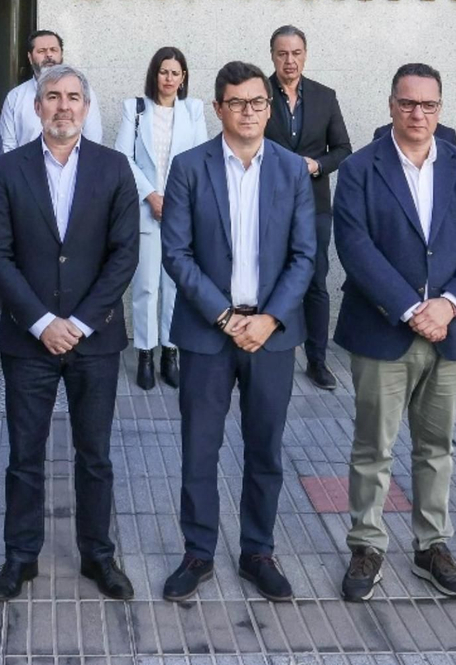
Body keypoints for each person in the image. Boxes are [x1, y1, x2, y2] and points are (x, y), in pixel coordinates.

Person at [0, 64, 141, 602]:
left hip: (97, 339)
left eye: (73, 97)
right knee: (25, 456)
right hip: (28, 340)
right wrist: (43, 322)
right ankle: (20, 558)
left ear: (86, 109)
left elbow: (124, 255)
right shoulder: (9, 169)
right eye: (53, 96)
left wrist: (81, 322)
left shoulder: (114, 168)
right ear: (37, 106)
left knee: (95, 456)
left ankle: (98, 556)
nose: (63, 106)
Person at [331, 63, 456, 601]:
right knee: (372, 447)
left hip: (448, 334)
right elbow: (354, 246)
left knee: (436, 447)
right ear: (391, 106)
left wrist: (448, 305)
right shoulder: (360, 168)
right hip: (382, 331)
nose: (417, 113)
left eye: (428, 104)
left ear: (440, 109)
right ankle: (367, 544)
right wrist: (408, 308)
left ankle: (431, 545)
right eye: (407, 103)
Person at [159, 61, 317, 604]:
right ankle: (198, 552)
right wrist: (225, 318)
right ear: (218, 108)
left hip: (272, 333)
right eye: (236, 103)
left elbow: (305, 255)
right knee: (199, 448)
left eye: (257, 102)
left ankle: (258, 552)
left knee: (265, 448)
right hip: (208, 333)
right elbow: (176, 254)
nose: (248, 112)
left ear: (269, 108)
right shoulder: (189, 167)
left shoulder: (292, 170)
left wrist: (269, 319)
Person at [111, 46, 210, 390]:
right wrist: (151, 195)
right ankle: (145, 354)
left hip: (182, 210)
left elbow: (201, 158)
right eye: (163, 71)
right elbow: (123, 157)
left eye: (175, 73)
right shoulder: (135, 108)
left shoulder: (193, 110)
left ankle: (170, 352)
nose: (169, 78)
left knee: (175, 285)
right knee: (146, 286)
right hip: (145, 207)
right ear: (154, 74)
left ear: (183, 78)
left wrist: (176, 201)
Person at [263, 25, 351, 391]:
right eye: (282, 53)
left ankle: (317, 360)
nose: (290, 60)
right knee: (268, 276)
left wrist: (317, 165)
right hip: (267, 204)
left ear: (305, 55)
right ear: (272, 56)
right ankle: (269, 351)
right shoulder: (259, 93)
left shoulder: (325, 97)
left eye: (296, 53)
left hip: (313, 205)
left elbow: (342, 149)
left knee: (315, 281)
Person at [0, 29, 104, 152]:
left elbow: (93, 140)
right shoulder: (15, 97)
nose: (48, 55)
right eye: (41, 51)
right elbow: (7, 147)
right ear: (30, 57)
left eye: (53, 50)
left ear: (61, 55)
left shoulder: (82, 91)